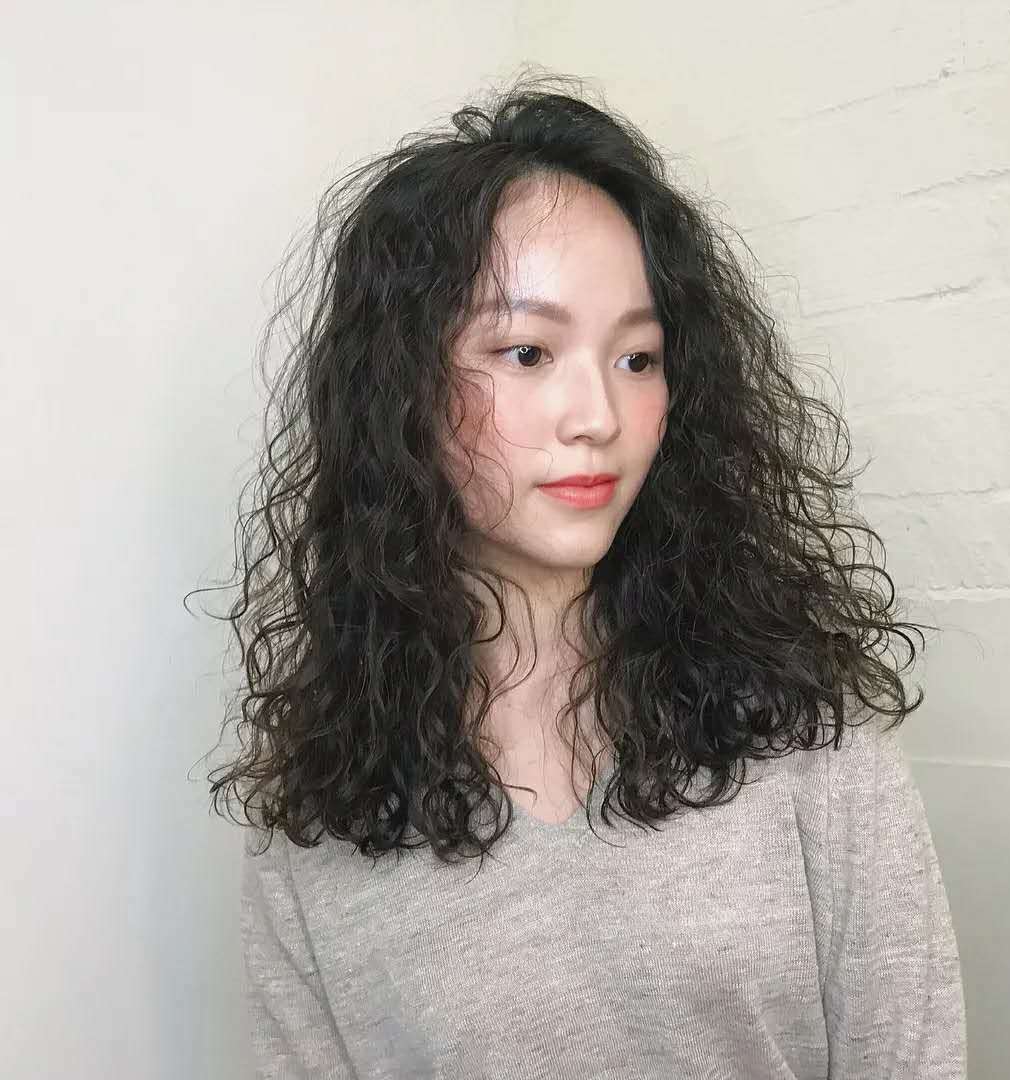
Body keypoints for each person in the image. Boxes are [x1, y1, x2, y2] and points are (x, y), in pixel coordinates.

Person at [192, 70, 967, 1078]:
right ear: (401, 387)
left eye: (638, 358)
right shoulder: (322, 816)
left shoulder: (803, 736)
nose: (598, 416)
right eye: (527, 353)